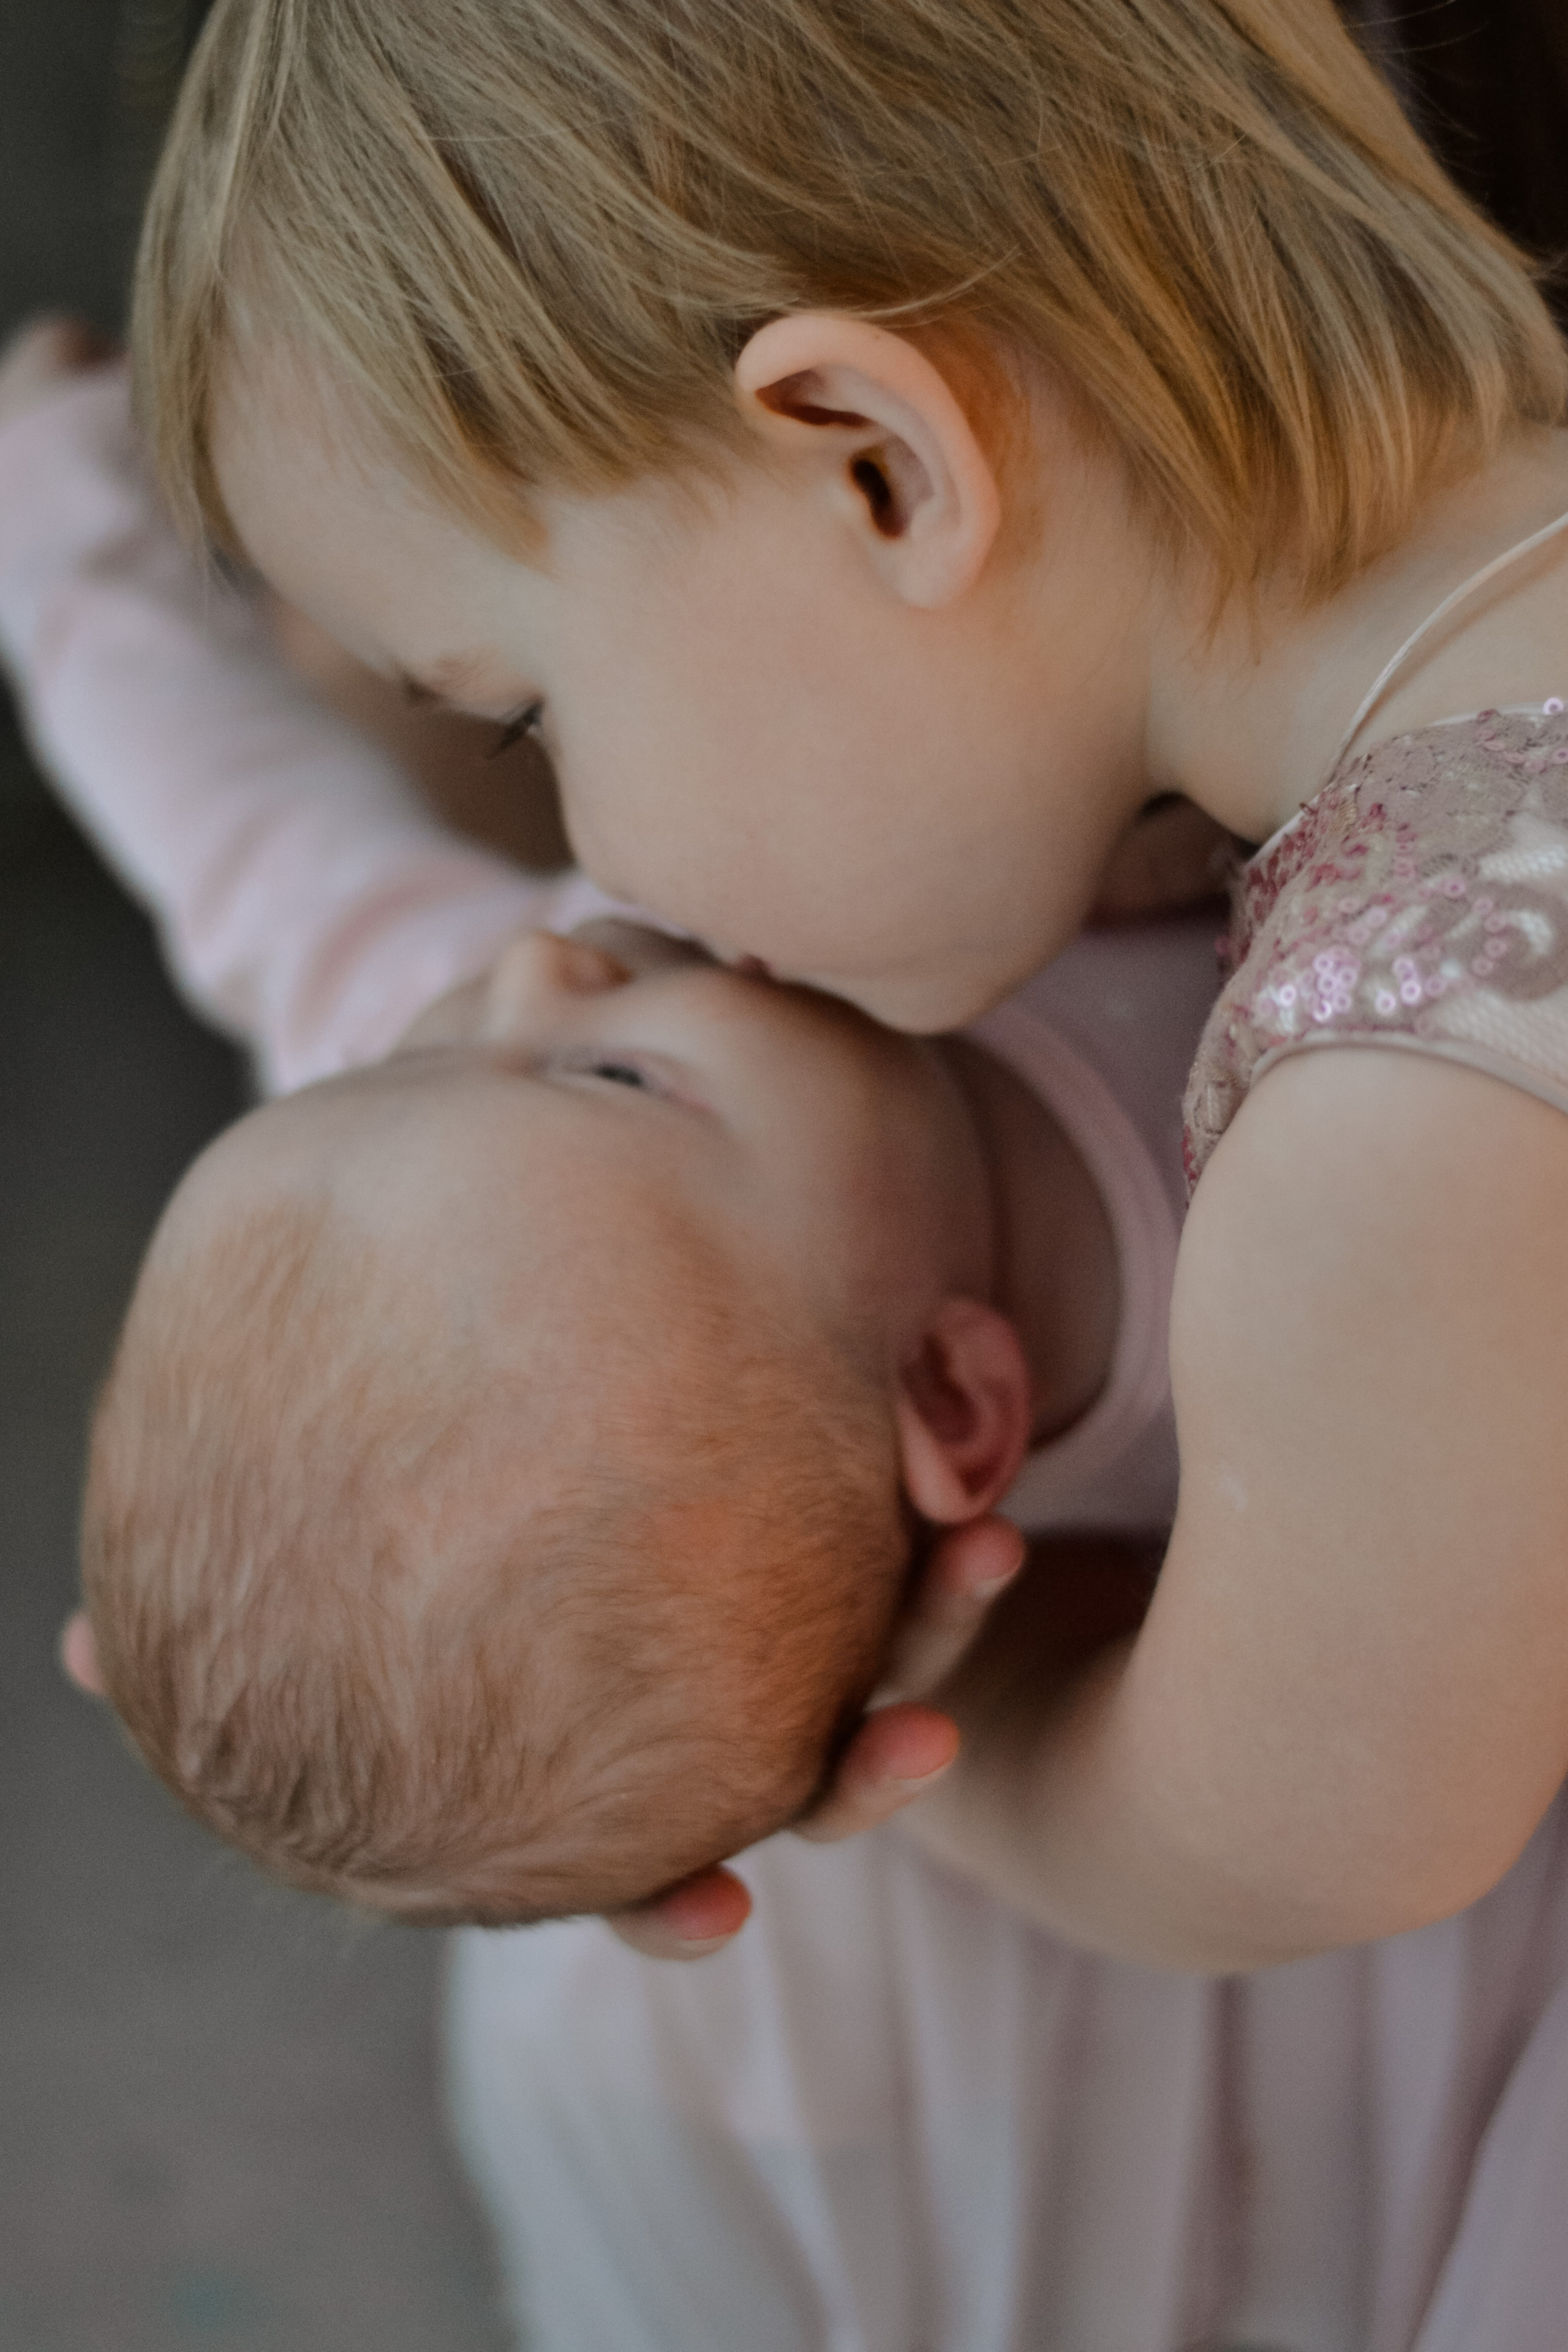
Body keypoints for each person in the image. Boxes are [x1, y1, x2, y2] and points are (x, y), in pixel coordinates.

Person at [0, 333, 1206, 1927]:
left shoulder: (497, 1108)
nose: (532, 968)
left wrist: (50, 519)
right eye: (615, 1079)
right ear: (955, 1391)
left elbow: (220, 812)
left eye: (391, 1060)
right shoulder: (1234, 1343)